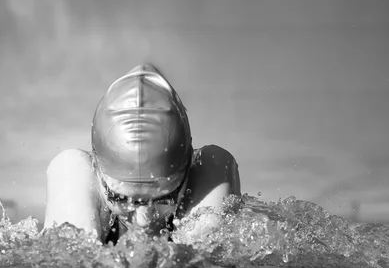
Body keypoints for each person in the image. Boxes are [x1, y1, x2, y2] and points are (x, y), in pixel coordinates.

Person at [43, 64, 241, 244]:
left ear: (188, 169)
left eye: (163, 199)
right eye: (123, 199)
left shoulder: (207, 185)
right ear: (98, 172)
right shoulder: (80, 183)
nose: (143, 220)